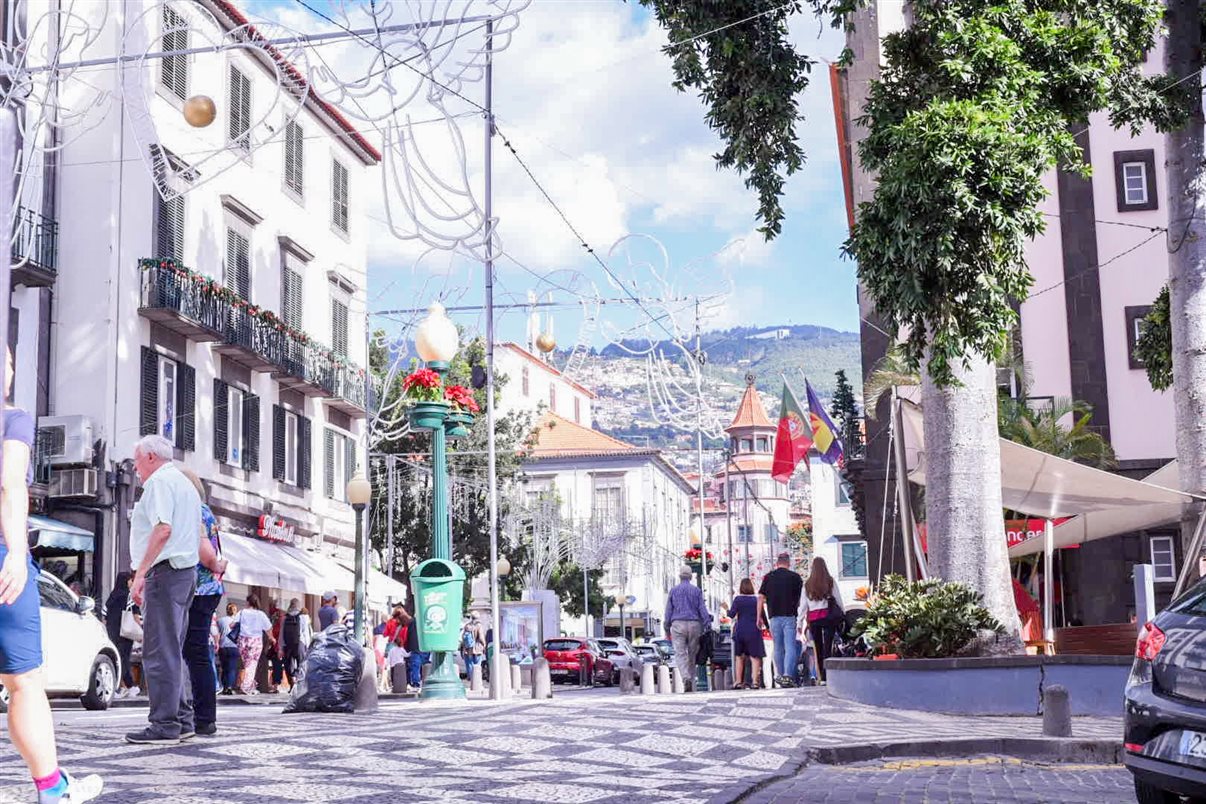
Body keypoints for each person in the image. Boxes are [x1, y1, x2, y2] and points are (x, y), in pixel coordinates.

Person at [0, 349, 103, 801]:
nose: (10, 369)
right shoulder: (13, 419)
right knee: (23, 682)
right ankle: (52, 788)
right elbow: (9, 484)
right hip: (2, 555)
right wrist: (16, 552)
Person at [125, 433, 203, 746]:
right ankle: (182, 721)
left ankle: (165, 724)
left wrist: (140, 574)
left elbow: (162, 529)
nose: (134, 468)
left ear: (150, 457)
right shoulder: (186, 485)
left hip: (166, 573)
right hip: (184, 573)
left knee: (159, 651)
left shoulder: (159, 483)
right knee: (172, 650)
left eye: (136, 460)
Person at [178, 467, 226, 737]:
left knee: (195, 652)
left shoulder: (193, 510)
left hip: (200, 589)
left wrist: (214, 564)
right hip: (208, 589)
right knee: (196, 652)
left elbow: (205, 554)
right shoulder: (206, 510)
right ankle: (202, 715)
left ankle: (204, 717)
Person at [759, 552, 804, 688]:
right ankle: (787, 675)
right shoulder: (795, 577)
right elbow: (800, 599)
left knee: (778, 647)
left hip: (774, 616)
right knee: (790, 646)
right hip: (790, 615)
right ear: (788, 563)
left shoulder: (768, 577)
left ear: (777, 563)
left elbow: (761, 597)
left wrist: (759, 617)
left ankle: (779, 675)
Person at [663, 565, 711, 692]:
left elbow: (668, 611)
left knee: (680, 653)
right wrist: (707, 623)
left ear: (680, 576)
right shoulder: (696, 591)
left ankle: (686, 678)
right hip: (694, 624)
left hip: (678, 624)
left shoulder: (673, 591)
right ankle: (691, 679)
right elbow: (702, 608)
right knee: (692, 654)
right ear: (690, 577)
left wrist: (666, 627)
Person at [800, 557, 843, 685]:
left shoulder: (807, 585)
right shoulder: (830, 581)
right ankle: (827, 674)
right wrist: (843, 613)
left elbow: (803, 606)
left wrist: (799, 622)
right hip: (829, 617)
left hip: (814, 619)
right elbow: (838, 599)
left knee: (818, 647)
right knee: (828, 646)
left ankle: (822, 678)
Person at [104, 571, 139, 698]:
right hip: (125, 633)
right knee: (124, 659)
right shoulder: (129, 596)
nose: (131, 583)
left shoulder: (112, 596)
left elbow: (104, 614)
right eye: (130, 580)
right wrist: (140, 630)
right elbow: (135, 615)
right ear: (126, 581)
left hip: (112, 632)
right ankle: (125, 687)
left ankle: (124, 686)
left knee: (117, 659)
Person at [727, 578, 766, 690]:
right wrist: (768, 627)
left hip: (741, 630)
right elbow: (762, 615)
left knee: (739, 656)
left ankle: (738, 681)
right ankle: (755, 682)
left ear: (741, 587)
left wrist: (726, 609)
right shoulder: (756, 600)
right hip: (754, 630)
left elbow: (731, 614)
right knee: (755, 657)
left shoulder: (738, 600)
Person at [235, 594, 273, 695]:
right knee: (252, 664)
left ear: (248, 602)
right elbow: (268, 627)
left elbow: (232, 624)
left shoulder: (242, 612)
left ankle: (250, 685)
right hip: (256, 641)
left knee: (247, 664)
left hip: (243, 640)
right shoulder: (261, 614)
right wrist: (271, 637)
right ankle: (246, 686)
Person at [216, 603, 240, 695]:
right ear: (235, 611)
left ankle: (224, 686)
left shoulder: (220, 620)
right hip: (234, 646)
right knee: (232, 668)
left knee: (224, 668)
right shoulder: (237, 621)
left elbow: (217, 633)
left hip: (223, 646)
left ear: (227, 610)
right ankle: (229, 687)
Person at [280, 599, 304, 688]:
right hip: (299, 643)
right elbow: (305, 633)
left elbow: (281, 633)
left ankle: (291, 683)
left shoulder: (285, 618)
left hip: (287, 644)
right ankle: (299, 683)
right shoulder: (303, 617)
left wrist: (280, 647)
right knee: (301, 664)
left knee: (288, 665)